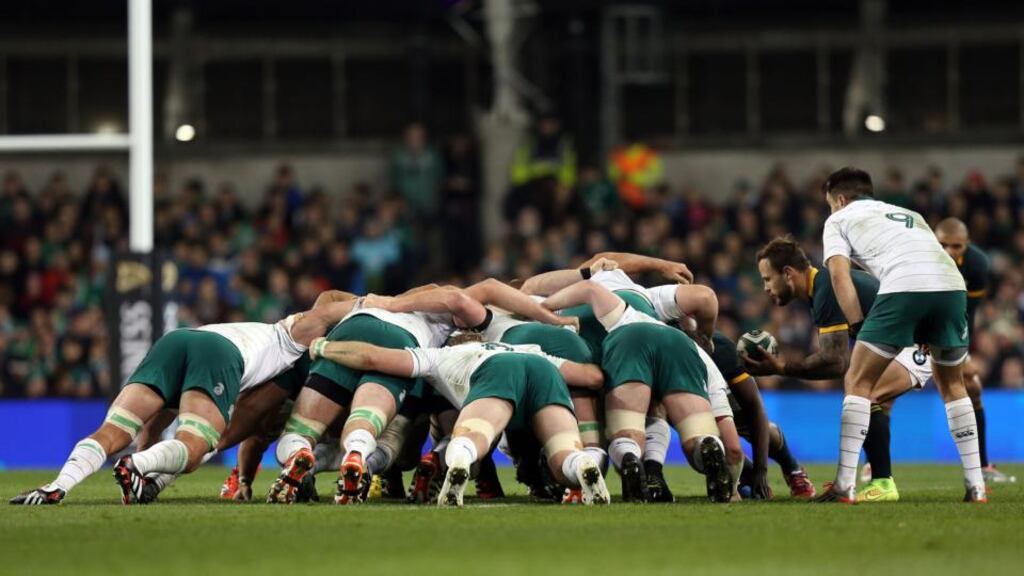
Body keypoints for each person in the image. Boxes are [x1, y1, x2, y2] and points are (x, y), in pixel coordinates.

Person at [9, 301, 349, 505]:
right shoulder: (291, 338)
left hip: (177, 340)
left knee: (115, 429)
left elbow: (156, 420)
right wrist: (388, 304)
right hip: (217, 353)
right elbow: (332, 306)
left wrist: (147, 477)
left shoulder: (259, 332)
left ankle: (57, 486)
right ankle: (137, 466)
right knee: (196, 446)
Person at [267, 280, 576, 505]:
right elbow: (486, 290)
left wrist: (317, 338)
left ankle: (302, 455)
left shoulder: (381, 299)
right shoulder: (456, 321)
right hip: (414, 350)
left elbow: (329, 297)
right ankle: (371, 458)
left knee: (303, 428)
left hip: (357, 331)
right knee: (412, 429)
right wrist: (552, 317)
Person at [813, 167, 984, 503]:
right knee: (953, 385)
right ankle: (975, 487)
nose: (832, 210)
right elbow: (927, 262)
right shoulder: (909, 214)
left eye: (831, 204)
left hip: (904, 287)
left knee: (858, 382)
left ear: (842, 199)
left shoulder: (839, 219)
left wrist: (857, 325)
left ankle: (844, 485)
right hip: (951, 286)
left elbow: (838, 274)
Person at [308, 336, 611, 507]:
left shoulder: (438, 355)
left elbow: (374, 357)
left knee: (469, 439)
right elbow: (590, 376)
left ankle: (460, 465)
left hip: (495, 371)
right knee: (563, 457)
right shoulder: (526, 347)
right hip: (543, 368)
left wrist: (322, 347)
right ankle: (582, 462)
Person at [745, 236, 933, 502]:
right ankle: (865, 478)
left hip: (916, 345)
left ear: (787, 274)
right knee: (866, 395)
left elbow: (835, 362)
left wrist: (782, 367)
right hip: (903, 341)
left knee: (865, 395)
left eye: (767, 279)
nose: (765, 288)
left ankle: (881, 482)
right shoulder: (823, 286)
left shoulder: (827, 288)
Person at [539, 275, 736, 503]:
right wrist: (707, 335)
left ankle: (630, 459)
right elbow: (704, 295)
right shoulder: (659, 308)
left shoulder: (617, 308)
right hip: (680, 347)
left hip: (628, 342)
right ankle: (706, 444)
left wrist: (546, 308)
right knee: (696, 434)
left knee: (625, 435)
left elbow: (589, 288)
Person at [934, 218, 1015, 485]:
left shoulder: (978, 264)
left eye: (956, 246)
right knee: (883, 390)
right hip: (913, 331)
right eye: (942, 244)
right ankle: (874, 468)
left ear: (966, 244)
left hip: (950, 332)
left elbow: (968, 312)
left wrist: (962, 351)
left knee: (974, 388)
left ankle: (982, 466)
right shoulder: (922, 256)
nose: (948, 251)